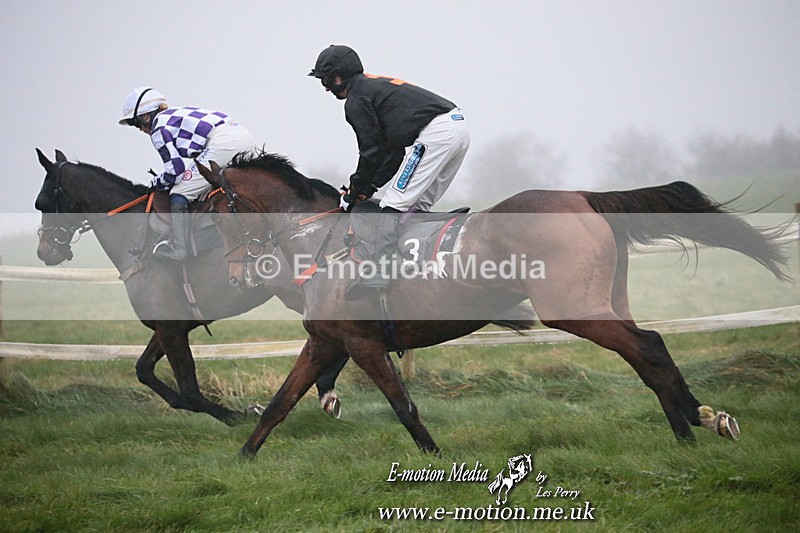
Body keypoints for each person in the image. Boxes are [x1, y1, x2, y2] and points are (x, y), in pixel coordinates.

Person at [309, 45, 470, 299]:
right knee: (416, 205)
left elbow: (370, 152)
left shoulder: (356, 101)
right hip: (458, 129)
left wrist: (355, 191)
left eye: (325, 80)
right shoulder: (371, 89)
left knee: (394, 204)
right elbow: (392, 154)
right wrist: (367, 189)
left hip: (436, 135)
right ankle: (420, 264)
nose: (326, 88)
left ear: (338, 77)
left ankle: (381, 271)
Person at [118, 87, 257, 261]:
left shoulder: (159, 128)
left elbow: (175, 171)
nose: (139, 129)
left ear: (146, 116)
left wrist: (156, 183)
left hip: (223, 143)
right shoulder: (175, 114)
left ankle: (180, 249)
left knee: (180, 192)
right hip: (244, 136)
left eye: (135, 123)